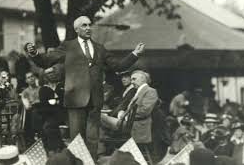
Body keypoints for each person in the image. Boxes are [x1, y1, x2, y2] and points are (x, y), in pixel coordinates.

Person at [25, 16, 145, 158]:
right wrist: (34, 53)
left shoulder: (100, 48)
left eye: (89, 25)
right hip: (75, 100)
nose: (88, 28)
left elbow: (117, 66)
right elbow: (46, 61)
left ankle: (91, 162)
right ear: (76, 29)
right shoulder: (68, 46)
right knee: (77, 139)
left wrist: (134, 54)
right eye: (84, 25)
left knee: (93, 139)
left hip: (95, 100)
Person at [101, 70, 158, 152]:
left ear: (142, 79)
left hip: (135, 126)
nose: (132, 82)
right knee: (98, 117)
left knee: (96, 116)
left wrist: (124, 115)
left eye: (134, 79)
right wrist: (122, 113)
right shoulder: (140, 91)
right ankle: (103, 150)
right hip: (129, 123)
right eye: (131, 79)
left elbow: (144, 111)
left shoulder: (150, 91)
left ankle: (100, 152)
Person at [21, 72, 42, 144]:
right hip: (32, 113)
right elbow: (27, 106)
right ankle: (36, 137)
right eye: (28, 77)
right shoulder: (25, 92)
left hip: (43, 111)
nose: (31, 79)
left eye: (32, 76)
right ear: (26, 81)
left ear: (35, 77)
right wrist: (37, 102)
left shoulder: (41, 89)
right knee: (34, 113)